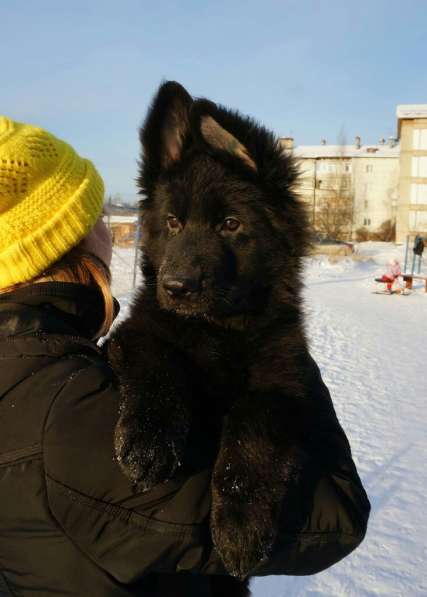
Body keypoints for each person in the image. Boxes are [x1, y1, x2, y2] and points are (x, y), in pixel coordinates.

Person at [0, 117, 370, 596]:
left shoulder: (38, 358)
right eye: (95, 221)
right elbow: (335, 517)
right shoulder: (69, 415)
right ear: (57, 240)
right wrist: (280, 344)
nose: (112, 239)